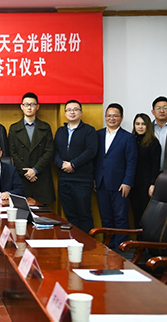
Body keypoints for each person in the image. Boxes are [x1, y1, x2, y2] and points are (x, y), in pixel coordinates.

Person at [94, 103, 137, 248]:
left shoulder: (128, 137)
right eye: (109, 115)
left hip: (120, 184)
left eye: (115, 116)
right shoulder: (98, 135)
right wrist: (94, 179)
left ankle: (121, 247)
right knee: (105, 217)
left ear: (121, 118)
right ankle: (108, 246)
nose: (111, 118)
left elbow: (131, 161)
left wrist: (127, 182)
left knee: (121, 217)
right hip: (101, 182)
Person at [53, 100, 97, 233]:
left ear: (81, 112)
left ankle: (88, 243)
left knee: (84, 214)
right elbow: (55, 151)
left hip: (82, 180)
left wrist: (73, 164)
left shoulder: (89, 130)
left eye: (75, 109)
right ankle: (74, 241)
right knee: (70, 215)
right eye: (69, 110)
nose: (72, 112)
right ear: (65, 113)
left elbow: (91, 151)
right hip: (64, 179)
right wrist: (61, 164)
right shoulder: (60, 131)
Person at [8, 92, 55, 204]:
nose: (29, 107)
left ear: (37, 107)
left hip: (41, 175)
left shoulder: (45, 127)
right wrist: (26, 172)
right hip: (22, 176)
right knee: (21, 211)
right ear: (21, 107)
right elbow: (12, 152)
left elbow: (49, 151)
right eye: (26, 104)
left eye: (32, 104)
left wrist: (35, 170)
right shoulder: (14, 128)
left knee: (42, 211)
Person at [131, 113, 161, 229]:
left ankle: (146, 239)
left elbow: (155, 165)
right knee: (136, 213)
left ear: (148, 126)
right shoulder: (131, 140)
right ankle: (138, 239)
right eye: (137, 124)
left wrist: (153, 184)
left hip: (147, 183)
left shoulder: (153, 142)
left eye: (143, 124)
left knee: (146, 214)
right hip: (133, 183)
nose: (140, 127)